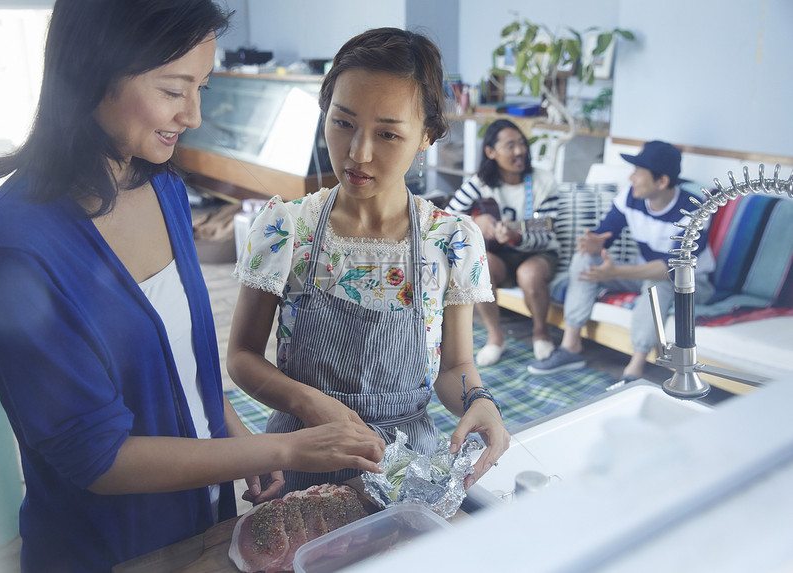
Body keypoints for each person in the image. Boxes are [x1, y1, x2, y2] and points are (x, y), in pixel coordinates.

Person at [0, 1, 384, 571]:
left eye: (202, 86)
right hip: (109, 547)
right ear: (93, 70)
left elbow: (187, 363)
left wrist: (234, 440)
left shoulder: (162, 187)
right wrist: (284, 444)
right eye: (174, 89)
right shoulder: (13, 248)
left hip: (201, 524)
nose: (194, 115)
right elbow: (98, 458)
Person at [227, 27, 510, 494]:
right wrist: (311, 403)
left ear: (427, 136)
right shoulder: (286, 229)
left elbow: (455, 366)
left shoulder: (451, 239)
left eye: (387, 134)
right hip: (300, 455)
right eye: (343, 123)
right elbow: (242, 357)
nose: (358, 153)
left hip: (404, 464)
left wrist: (480, 401)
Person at [527, 140, 715, 383]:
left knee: (656, 284)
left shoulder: (694, 212)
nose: (631, 178)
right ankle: (570, 347)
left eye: (638, 173)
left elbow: (672, 269)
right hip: (643, 273)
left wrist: (614, 272)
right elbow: (605, 233)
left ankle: (633, 370)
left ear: (662, 181)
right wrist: (592, 244)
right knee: (585, 259)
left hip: (691, 283)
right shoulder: (631, 197)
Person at [446, 119, 560, 366]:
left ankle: (541, 332)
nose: (519, 151)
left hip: (538, 254)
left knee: (529, 273)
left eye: (521, 144)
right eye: (510, 145)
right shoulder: (480, 182)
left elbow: (548, 230)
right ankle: (495, 337)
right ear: (491, 152)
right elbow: (446, 217)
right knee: (478, 267)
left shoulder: (543, 181)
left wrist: (516, 235)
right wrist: (476, 220)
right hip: (499, 255)